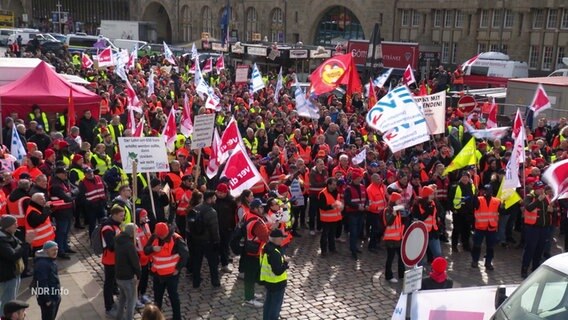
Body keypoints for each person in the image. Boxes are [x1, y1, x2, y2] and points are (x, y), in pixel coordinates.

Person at [144, 223, 189, 320]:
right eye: (159, 235)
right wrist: (152, 248)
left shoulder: (176, 239)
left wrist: (178, 268)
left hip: (171, 274)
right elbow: (145, 250)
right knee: (157, 298)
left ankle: (177, 318)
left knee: (173, 297)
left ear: (167, 232)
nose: (161, 237)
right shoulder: (154, 237)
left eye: (163, 235)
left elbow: (185, 254)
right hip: (158, 274)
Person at [0, 215, 33, 317]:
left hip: (14, 273)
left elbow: (18, 247)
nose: (17, 225)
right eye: (14, 223)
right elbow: (13, 255)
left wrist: (23, 245)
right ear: (7, 226)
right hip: (8, 276)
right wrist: (26, 244)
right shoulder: (2, 241)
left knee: (9, 298)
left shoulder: (9, 234)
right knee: (8, 302)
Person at [188, 191, 221, 288]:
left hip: (196, 240)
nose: (215, 199)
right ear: (209, 199)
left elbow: (190, 225)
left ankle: (196, 282)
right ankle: (215, 282)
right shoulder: (212, 212)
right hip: (208, 241)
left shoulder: (195, 208)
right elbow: (214, 229)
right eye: (214, 198)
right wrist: (217, 242)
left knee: (197, 262)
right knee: (213, 263)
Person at [242, 198, 271, 308]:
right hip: (254, 252)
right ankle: (249, 299)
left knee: (251, 275)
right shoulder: (257, 222)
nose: (263, 208)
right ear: (255, 208)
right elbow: (265, 237)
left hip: (249, 248)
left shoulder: (248, 215)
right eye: (261, 207)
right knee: (250, 276)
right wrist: (270, 229)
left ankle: (250, 294)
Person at [521, 181, 553, 278]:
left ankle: (535, 268)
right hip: (532, 228)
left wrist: (552, 211)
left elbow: (549, 210)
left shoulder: (546, 197)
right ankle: (524, 269)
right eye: (539, 189)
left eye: (542, 188)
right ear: (534, 189)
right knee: (530, 249)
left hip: (544, 228)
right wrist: (538, 200)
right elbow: (529, 208)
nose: (541, 190)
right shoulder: (529, 197)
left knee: (539, 249)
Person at [260, 229, 289, 320]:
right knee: (275, 306)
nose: (282, 240)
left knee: (268, 303)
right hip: (277, 283)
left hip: (268, 281)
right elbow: (278, 271)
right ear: (276, 239)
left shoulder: (266, 247)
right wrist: (285, 263)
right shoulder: (275, 253)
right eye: (281, 238)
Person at [101, 205, 124, 317]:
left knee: (112, 283)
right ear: (114, 215)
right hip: (110, 259)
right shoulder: (108, 228)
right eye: (121, 216)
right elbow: (111, 246)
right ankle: (108, 306)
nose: (122, 218)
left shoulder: (115, 225)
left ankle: (111, 302)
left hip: (115, 259)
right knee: (109, 284)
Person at [49, 166, 77, 259]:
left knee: (66, 231)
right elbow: (67, 197)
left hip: (67, 210)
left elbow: (74, 191)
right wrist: (72, 196)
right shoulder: (56, 185)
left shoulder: (62, 182)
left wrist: (72, 195)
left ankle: (65, 247)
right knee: (61, 232)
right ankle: (60, 250)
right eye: (64, 173)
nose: (66, 175)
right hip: (61, 211)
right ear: (58, 174)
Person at [115, 223, 141, 320]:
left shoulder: (118, 240)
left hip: (119, 275)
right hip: (128, 277)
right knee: (131, 301)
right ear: (131, 234)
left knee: (122, 299)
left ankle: (119, 316)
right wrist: (139, 275)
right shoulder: (129, 245)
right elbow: (135, 263)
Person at [472, 184, 501, 270]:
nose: (485, 192)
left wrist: (504, 205)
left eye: (487, 190)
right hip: (480, 227)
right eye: (484, 190)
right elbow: (474, 205)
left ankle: (488, 263)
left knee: (490, 247)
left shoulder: (497, 201)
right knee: (477, 246)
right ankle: (475, 261)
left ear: (491, 192)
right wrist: (474, 195)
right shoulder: (479, 199)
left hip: (491, 227)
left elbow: (502, 210)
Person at [32, 241, 61, 320]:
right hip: (49, 299)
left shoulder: (49, 259)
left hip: (54, 295)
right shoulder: (42, 264)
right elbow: (42, 283)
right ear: (46, 251)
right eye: (53, 250)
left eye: (56, 250)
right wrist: (47, 300)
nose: (55, 252)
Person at [343, 169, 368, 260]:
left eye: (360, 178)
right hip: (352, 213)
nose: (359, 180)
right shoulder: (348, 189)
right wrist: (357, 206)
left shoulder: (362, 186)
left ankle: (354, 246)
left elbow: (367, 198)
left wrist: (367, 205)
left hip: (361, 213)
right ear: (353, 179)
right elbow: (347, 201)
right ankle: (353, 250)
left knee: (358, 231)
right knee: (353, 232)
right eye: (358, 178)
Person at [213, 183, 237, 273]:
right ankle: (216, 263)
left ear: (226, 192)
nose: (220, 194)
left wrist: (233, 226)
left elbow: (235, 214)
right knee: (216, 247)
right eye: (218, 192)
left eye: (222, 193)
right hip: (215, 227)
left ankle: (225, 264)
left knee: (225, 247)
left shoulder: (231, 201)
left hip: (227, 228)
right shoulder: (213, 199)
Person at [452, 171, 476, 252]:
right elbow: (450, 198)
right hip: (458, 212)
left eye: (467, 177)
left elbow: (474, 197)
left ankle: (466, 245)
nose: (465, 178)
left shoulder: (472, 186)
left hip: (468, 212)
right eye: (463, 176)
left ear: (469, 178)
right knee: (457, 229)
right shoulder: (455, 186)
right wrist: (453, 209)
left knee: (467, 230)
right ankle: (454, 245)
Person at [383, 192, 405, 283]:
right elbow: (388, 223)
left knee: (401, 257)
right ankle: (388, 276)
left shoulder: (397, 210)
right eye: (399, 199)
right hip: (390, 239)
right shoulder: (387, 210)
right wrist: (394, 214)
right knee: (390, 258)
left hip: (398, 238)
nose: (400, 201)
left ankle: (402, 274)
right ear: (395, 200)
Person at [319, 178, 343, 257]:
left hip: (335, 218)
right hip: (326, 219)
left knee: (332, 235)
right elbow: (322, 207)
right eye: (333, 184)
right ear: (328, 185)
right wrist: (332, 206)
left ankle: (332, 248)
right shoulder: (322, 193)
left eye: (336, 184)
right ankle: (323, 251)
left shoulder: (337, 192)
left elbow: (338, 202)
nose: (335, 186)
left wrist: (341, 206)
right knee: (324, 235)